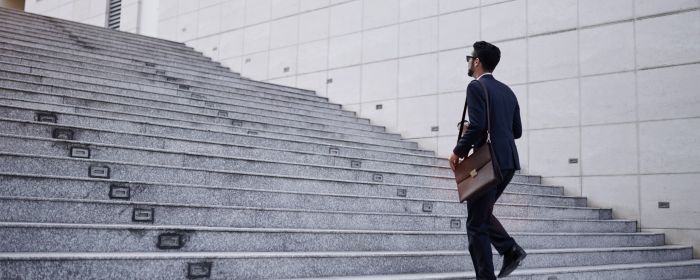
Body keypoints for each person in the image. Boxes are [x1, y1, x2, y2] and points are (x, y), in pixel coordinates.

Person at [448, 41, 526, 279]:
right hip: (508, 162)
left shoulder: (475, 87)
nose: (469, 62)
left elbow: (480, 125)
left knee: (476, 224)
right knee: (481, 215)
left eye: (469, 58)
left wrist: (458, 150)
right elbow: (516, 130)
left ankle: (491, 271)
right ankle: (510, 250)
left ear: (477, 61)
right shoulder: (507, 91)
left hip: (488, 162)